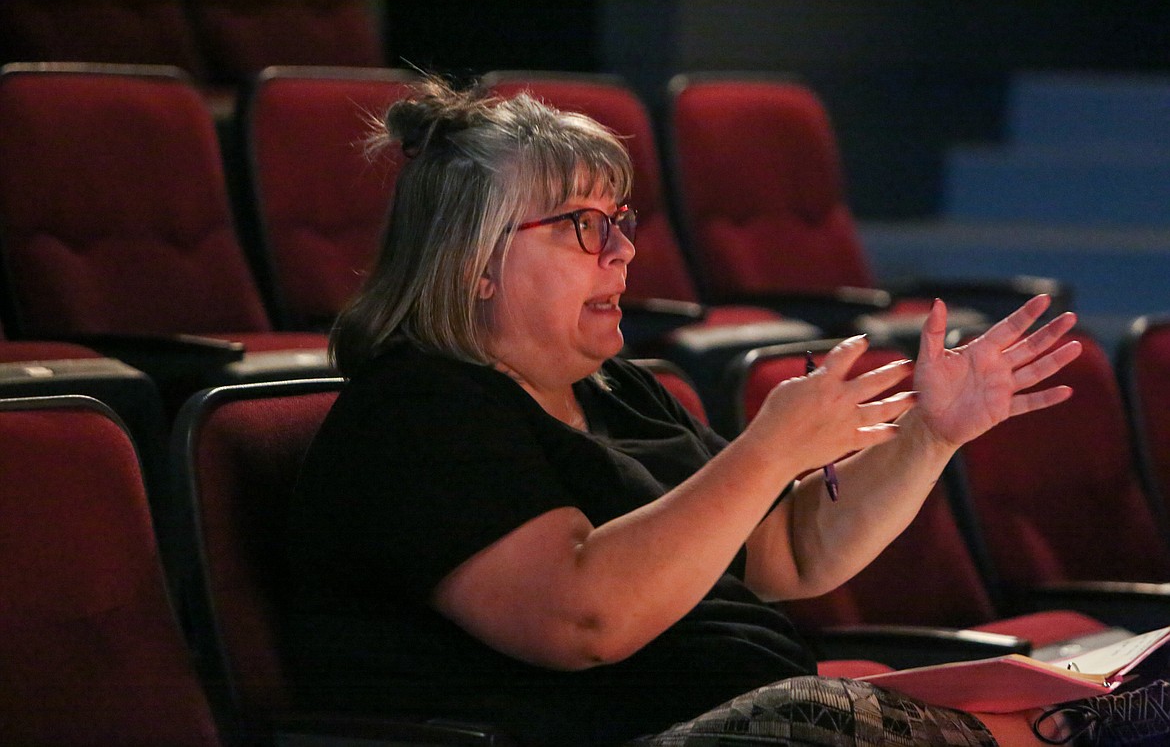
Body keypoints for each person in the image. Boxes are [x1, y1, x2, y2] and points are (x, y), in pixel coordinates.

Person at [284, 77, 1170, 747]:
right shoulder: (416, 413)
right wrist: (766, 450)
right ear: (476, 261)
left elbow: (791, 553)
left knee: (1039, 690)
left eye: (623, 220)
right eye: (585, 226)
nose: (626, 250)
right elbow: (582, 620)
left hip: (752, 715)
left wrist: (928, 436)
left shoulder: (618, 389)